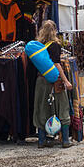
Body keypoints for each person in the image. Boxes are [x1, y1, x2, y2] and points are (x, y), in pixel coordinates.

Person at [33, 20, 73, 149]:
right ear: (54, 30)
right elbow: (56, 64)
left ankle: (41, 141)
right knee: (62, 107)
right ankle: (65, 140)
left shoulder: (38, 45)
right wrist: (66, 80)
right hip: (55, 81)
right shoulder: (55, 45)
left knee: (42, 109)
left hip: (40, 81)